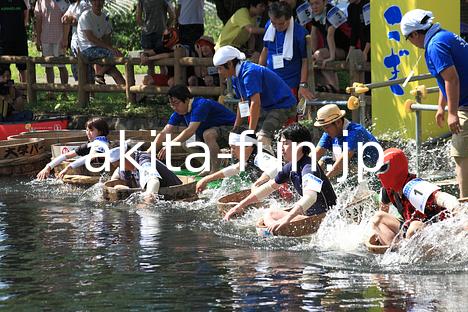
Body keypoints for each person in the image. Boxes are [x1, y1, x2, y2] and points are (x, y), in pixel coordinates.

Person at [400, 9, 468, 199]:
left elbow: (452, 79)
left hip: (466, 105)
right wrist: (441, 106)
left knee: (461, 155)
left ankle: (464, 204)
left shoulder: (435, 45)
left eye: (408, 38)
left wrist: (452, 113)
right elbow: (443, 78)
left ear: (414, 33)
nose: (411, 43)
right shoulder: (444, 36)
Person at [224, 124, 337, 236]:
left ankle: (274, 234)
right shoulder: (290, 167)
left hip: (326, 218)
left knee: (270, 214)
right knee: (268, 215)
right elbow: (269, 187)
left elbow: (311, 197)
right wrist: (240, 206)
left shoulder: (309, 167)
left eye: (286, 144)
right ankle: (274, 233)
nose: (281, 148)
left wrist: (286, 219)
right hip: (312, 216)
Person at [213, 45, 297, 152]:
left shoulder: (249, 73)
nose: (219, 72)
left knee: (261, 138)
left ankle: (271, 166)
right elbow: (243, 103)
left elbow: (255, 103)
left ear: (229, 64)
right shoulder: (235, 78)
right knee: (245, 136)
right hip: (267, 107)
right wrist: (236, 128)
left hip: (283, 106)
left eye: (220, 68)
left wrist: (250, 132)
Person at [371, 148, 461, 245]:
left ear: (396, 168)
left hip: (436, 230)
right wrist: (376, 232)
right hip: (410, 227)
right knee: (378, 218)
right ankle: (395, 252)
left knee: (414, 227)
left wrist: (459, 213)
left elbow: (443, 198)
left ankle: (409, 254)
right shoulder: (388, 189)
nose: (378, 175)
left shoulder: (414, 186)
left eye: (383, 169)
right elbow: (383, 210)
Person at [152, 85, 236, 174]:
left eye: (176, 103)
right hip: (214, 135)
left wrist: (169, 145)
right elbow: (165, 131)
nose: (174, 107)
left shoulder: (201, 105)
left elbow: (190, 130)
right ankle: (208, 166)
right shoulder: (179, 112)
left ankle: (215, 170)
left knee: (208, 134)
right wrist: (148, 152)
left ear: (187, 99)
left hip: (232, 130)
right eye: (172, 104)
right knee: (187, 143)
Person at [196, 127, 280, 193]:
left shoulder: (260, 156)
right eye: (231, 147)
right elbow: (235, 168)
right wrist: (207, 179)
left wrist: (257, 184)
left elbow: (277, 167)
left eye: (234, 147)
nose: (232, 151)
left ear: (248, 146)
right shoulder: (249, 158)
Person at [259, 1, 315, 100]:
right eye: (273, 23)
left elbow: (305, 60)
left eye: (281, 23)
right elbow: (265, 50)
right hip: (270, 81)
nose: (276, 26)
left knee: (288, 114)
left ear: (289, 19)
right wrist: (258, 74)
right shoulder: (269, 26)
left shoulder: (300, 33)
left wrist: (302, 85)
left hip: (290, 84)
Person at [314, 104, 379, 179]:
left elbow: (341, 164)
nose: (325, 131)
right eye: (323, 128)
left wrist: (321, 182)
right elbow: (315, 155)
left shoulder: (355, 131)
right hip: (353, 165)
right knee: (323, 162)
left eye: (326, 127)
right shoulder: (329, 132)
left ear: (338, 122)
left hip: (372, 170)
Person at [36, 117, 110, 180]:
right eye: (87, 130)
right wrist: (48, 167)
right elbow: (66, 155)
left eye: (91, 130)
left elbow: (91, 157)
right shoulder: (88, 145)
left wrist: (68, 168)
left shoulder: (102, 143)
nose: (88, 133)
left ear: (100, 132)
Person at [109, 147, 183, 203]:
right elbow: (114, 178)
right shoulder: (124, 167)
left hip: (176, 197)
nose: (119, 168)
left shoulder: (144, 161)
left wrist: (148, 198)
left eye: (119, 164)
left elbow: (154, 181)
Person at [77, 0, 125, 85]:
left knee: (115, 72)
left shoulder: (105, 17)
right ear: (91, 2)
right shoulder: (85, 16)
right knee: (113, 55)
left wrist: (113, 49)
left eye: (100, 1)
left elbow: (107, 38)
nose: (97, 3)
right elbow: (91, 38)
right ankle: (100, 74)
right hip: (87, 49)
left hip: (99, 49)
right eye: (95, 1)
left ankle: (133, 96)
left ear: (103, 2)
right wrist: (110, 49)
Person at [308, 0, 351, 93]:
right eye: (312, 4)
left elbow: (330, 35)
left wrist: (331, 57)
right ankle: (330, 87)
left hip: (346, 48)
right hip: (332, 47)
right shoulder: (315, 14)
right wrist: (312, 53)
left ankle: (335, 88)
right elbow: (313, 34)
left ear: (325, 3)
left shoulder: (332, 12)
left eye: (317, 3)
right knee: (316, 57)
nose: (314, 6)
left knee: (320, 55)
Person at [34, 0, 70, 99]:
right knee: (48, 66)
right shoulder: (40, 2)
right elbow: (38, 20)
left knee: (61, 66)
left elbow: (66, 22)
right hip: (45, 38)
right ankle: (51, 92)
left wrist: (65, 39)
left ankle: (64, 92)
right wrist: (38, 39)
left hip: (59, 38)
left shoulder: (62, 1)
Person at [136, 0, 176, 75]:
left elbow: (138, 17)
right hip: (159, 32)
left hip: (150, 33)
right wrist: (166, 26)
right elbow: (172, 16)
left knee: (151, 64)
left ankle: (155, 82)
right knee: (162, 64)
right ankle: (161, 82)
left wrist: (143, 27)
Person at [62, 0, 91, 82]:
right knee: (76, 68)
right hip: (75, 41)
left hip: (84, 41)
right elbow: (65, 18)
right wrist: (66, 18)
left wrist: (71, 19)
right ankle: (81, 91)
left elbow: (84, 21)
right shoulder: (73, 5)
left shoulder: (85, 4)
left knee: (85, 68)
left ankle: (90, 93)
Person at [0, 0, 29, 83]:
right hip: (3, 40)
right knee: (3, 69)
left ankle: (24, 92)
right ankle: (5, 92)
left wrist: (22, 27)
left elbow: (25, 13)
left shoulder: (20, 1)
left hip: (20, 39)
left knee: (23, 68)